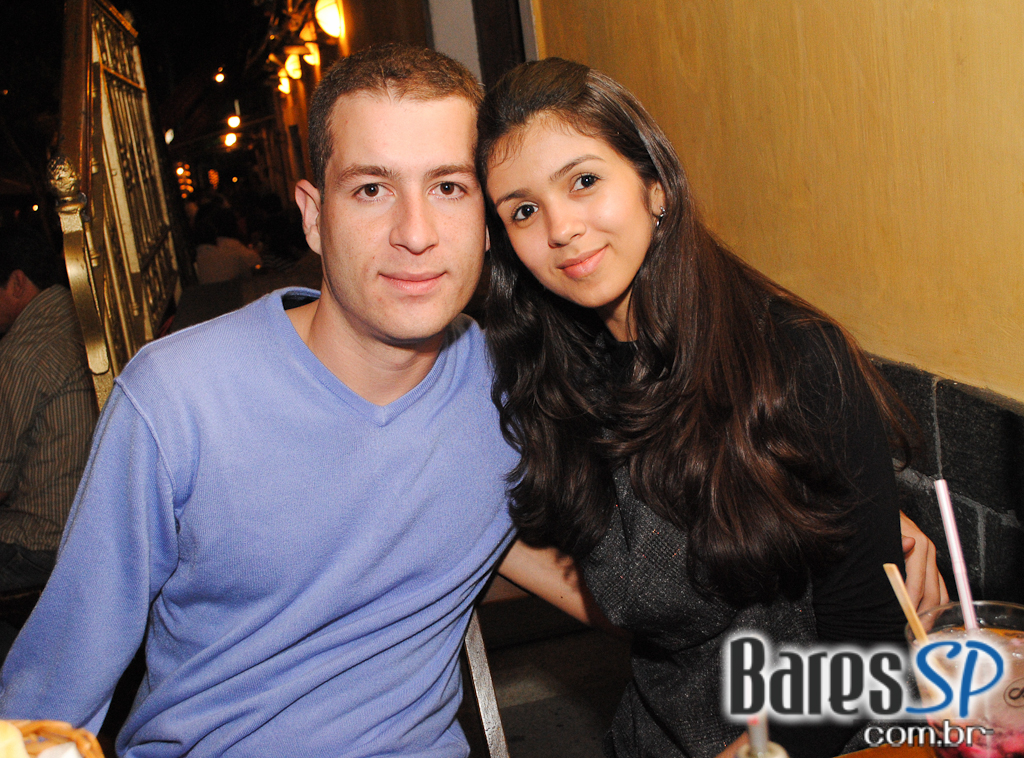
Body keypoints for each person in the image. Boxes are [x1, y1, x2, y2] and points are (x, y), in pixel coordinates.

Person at [0, 46, 516, 758]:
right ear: (312, 215)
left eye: (449, 188)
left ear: (488, 217)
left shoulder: (511, 393)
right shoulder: (179, 399)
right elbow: (50, 695)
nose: (416, 233)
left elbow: (623, 574)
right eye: (372, 188)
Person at [478, 58, 946, 758]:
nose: (561, 228)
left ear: (655, 186)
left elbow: (866, 636)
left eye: (583, 181)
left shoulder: (793, 359)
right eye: (523, 209)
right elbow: (626, 595)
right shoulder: (565, 382)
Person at [0, 227, 97, 596]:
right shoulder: (81, 315)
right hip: (88, 527)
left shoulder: (20, 352)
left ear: (17, 282)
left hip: (43, 540)